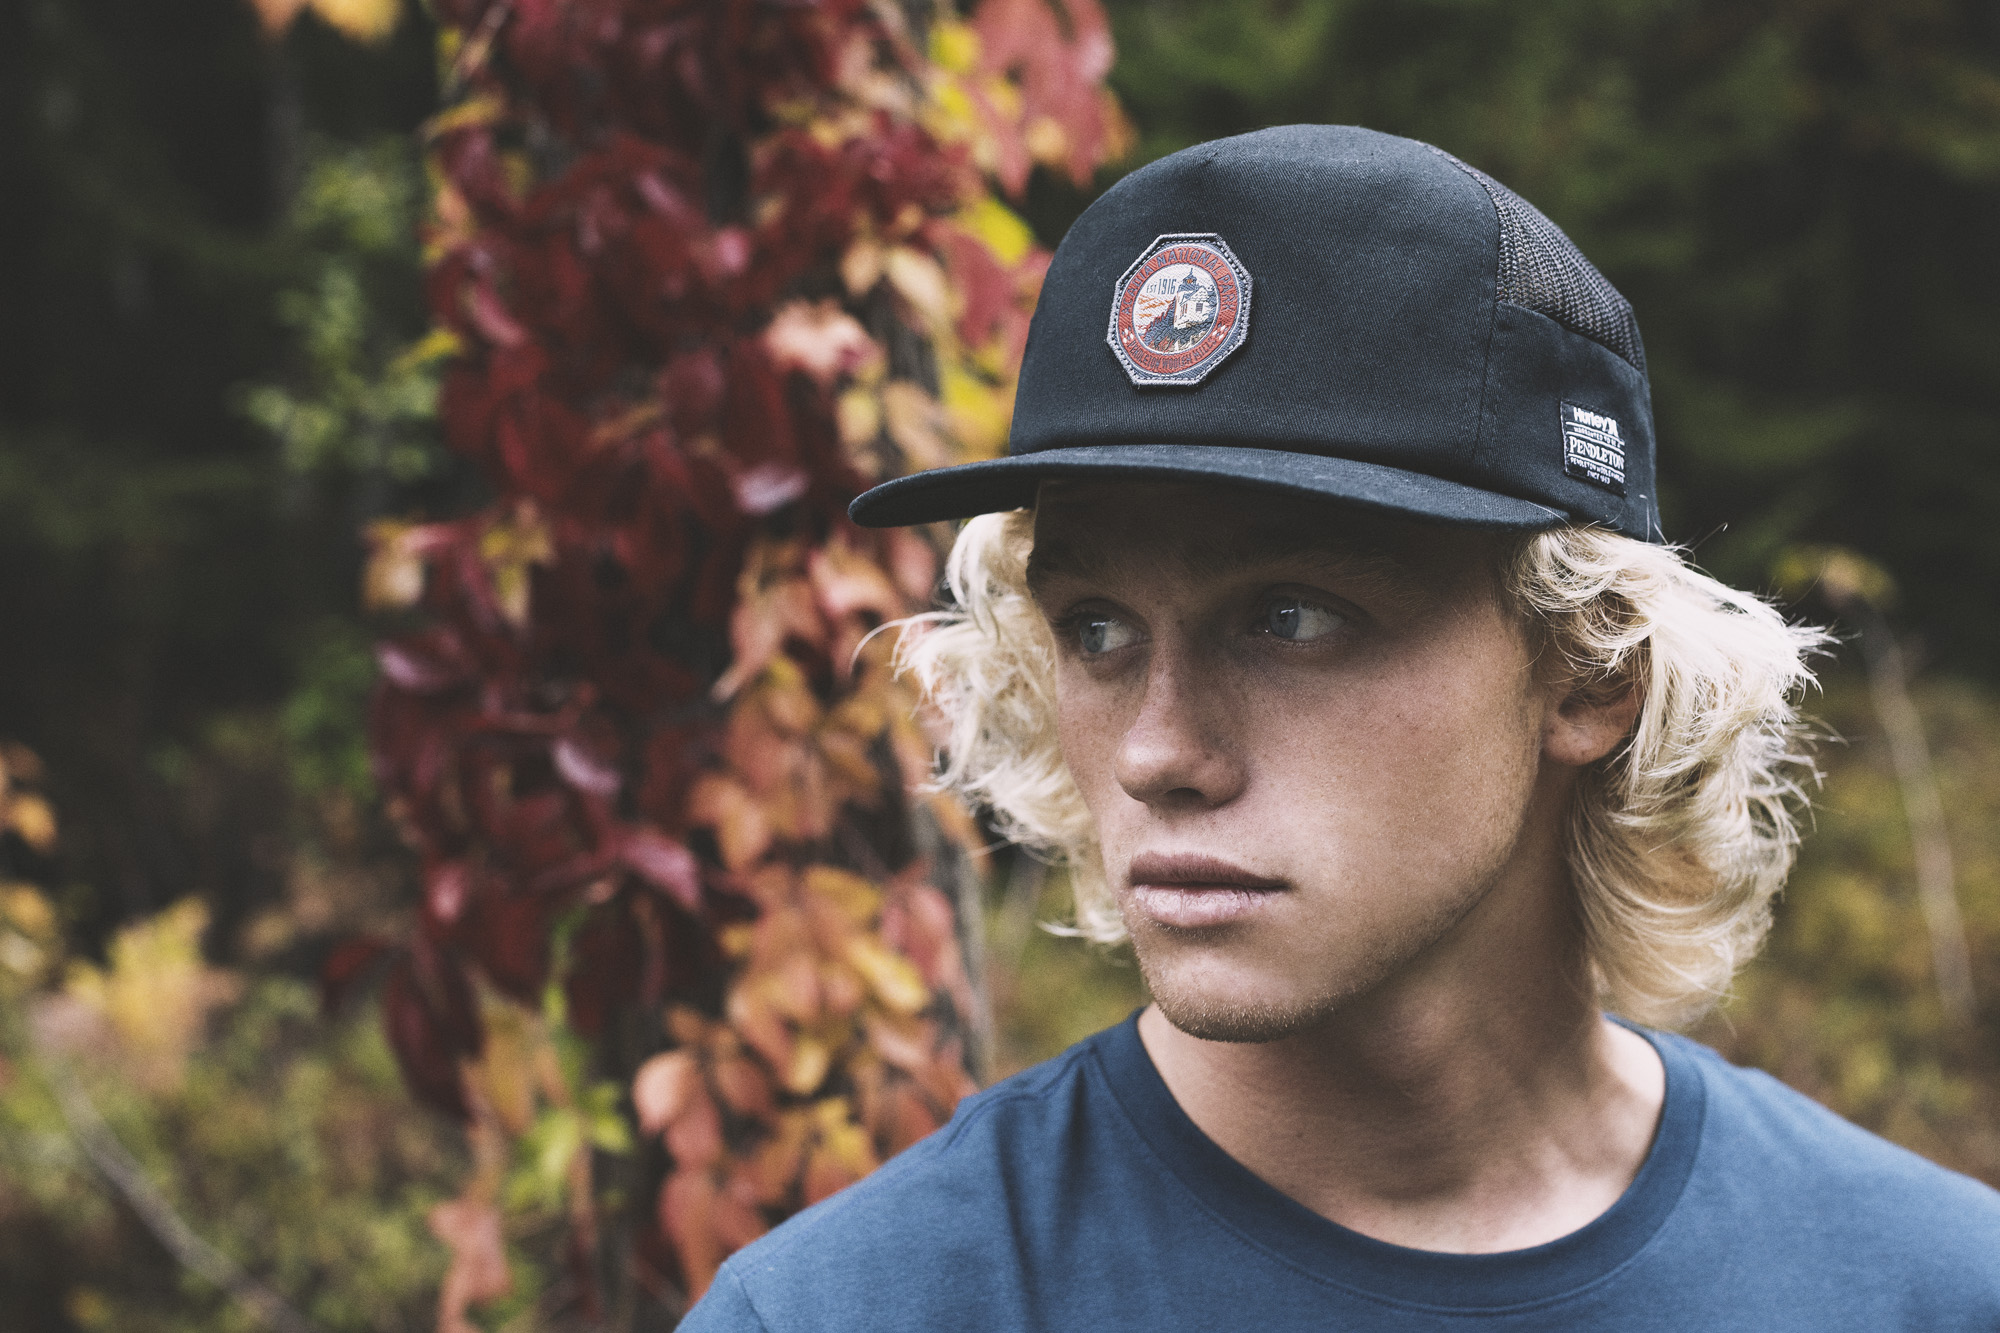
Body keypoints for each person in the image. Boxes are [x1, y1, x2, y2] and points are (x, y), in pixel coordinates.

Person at [678, 125, 2000, 1330]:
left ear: (1591, 674)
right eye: (1094, 625)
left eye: (1291, 616)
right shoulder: (848, 1311)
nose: (1158, 751)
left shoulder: (1925, 1287)